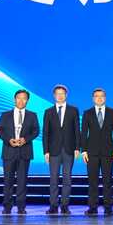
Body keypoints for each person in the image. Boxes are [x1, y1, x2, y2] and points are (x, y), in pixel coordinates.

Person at [0, 88, 39, 214]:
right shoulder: (5, 115)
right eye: (19, 98)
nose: (21, 100)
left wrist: (25, 139)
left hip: (25, 152)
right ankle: (7, 206)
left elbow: (36, 131)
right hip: (9, 151)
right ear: (14, 99)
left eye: (24, 98)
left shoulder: (32, 115)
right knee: (8, 181)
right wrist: (9, 140)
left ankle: (21, 207)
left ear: (27, 101)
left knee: (22, 181)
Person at [80, 88, 113, 216]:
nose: (99, 98)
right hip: (91, 153)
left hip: (108, 152)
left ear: (105, 98)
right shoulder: (87, 113)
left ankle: (108, 208)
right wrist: (83, 150)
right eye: (96, 96)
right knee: (93, 182)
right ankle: (93, 207)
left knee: (108, 181)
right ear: (93, 98)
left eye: (102, 96)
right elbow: (83, 133)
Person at [43, 84, 79, 215]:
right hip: (53, 150)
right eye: (58, 94)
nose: (60, 96)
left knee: (67, 179)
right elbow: (46, 133)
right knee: (53, 179)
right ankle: (53, 206)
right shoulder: (48, 111)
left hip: (69, 149)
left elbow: (77, 130)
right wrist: (46, 151)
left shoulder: (73, 110)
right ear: (54, 96)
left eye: (62, 93)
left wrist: (77, 147)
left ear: (66, 95)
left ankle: (65, 206)